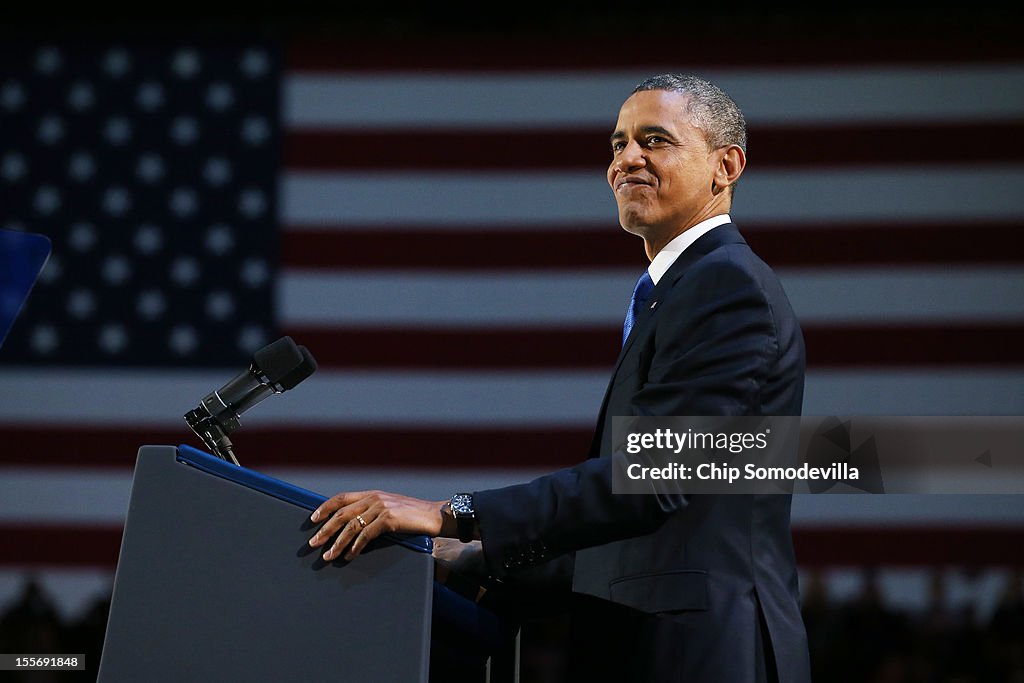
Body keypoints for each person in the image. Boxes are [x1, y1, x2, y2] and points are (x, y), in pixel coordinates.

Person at [306, 73, 811, 682]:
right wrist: (480, 560)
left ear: (725, 166)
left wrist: (453, 513)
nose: (628, 159)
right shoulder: (680, 292)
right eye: (618, 144)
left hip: (701, 654)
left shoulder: (726, 287)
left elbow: (652, 480)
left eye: (655, 140)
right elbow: (649, 530)